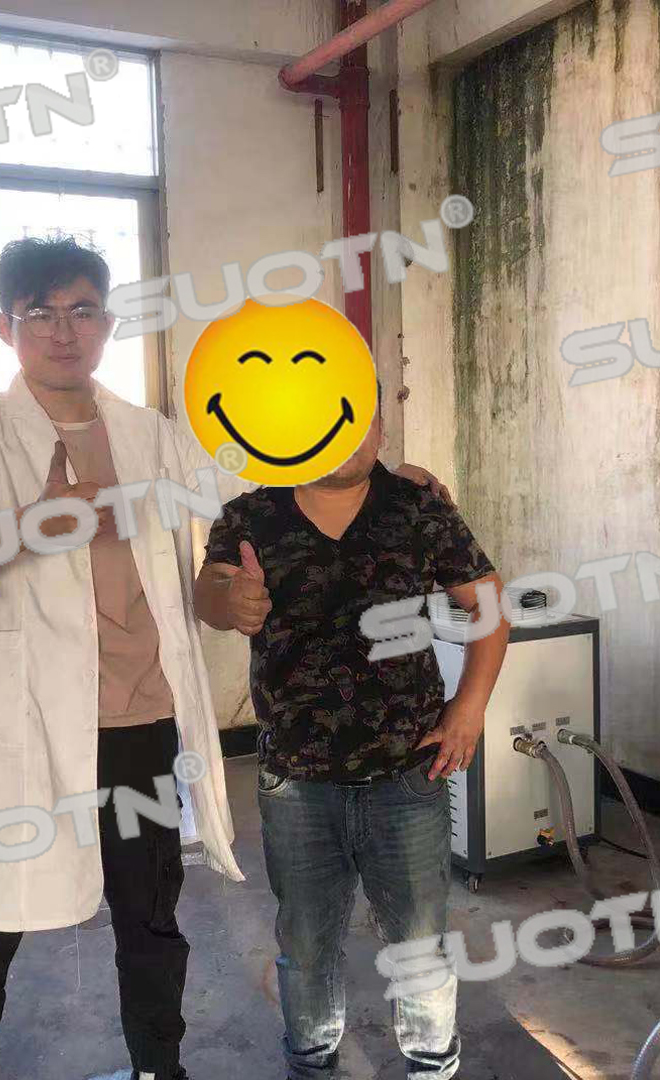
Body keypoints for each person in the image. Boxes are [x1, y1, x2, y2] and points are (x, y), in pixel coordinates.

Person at [0, 236, 450, 1080]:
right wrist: (34, 521)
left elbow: (263, 465)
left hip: (140, 724)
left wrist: (377, 473)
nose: (63, 331)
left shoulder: (148, 434)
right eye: (40, 313)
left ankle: (159, 1069)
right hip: (24, 733)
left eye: (83, 310)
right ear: (4, 327)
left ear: (107, 323)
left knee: (150, 923)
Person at [194, 395, 509, 1080]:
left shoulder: (419, 508)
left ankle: (432, 1065)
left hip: (408, 773)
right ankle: (311, 1064)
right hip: (296, 780)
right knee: (306, 946)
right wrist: (229, 600)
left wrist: (469, 709)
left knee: (420, 947)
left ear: (381, 426)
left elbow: (487, 604)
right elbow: (208, 590)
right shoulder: (250, 516)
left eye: (360, 417)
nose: (346, 435)